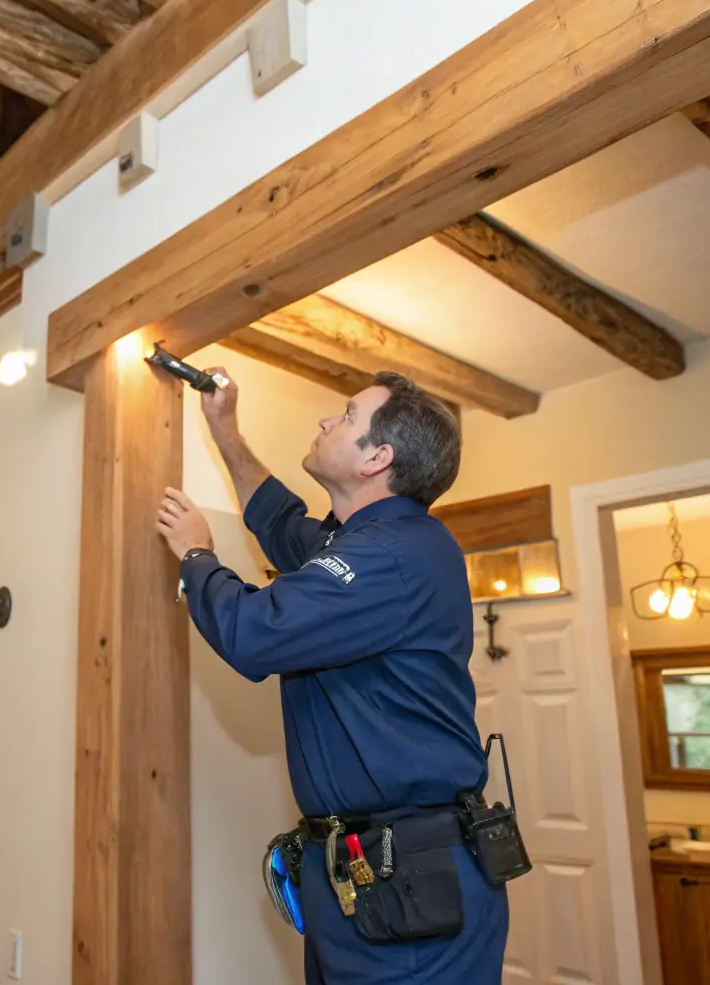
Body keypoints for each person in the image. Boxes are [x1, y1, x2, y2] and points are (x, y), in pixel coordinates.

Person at [155, 369, 508, 984]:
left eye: (345, 415)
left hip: (412, 879)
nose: (326, 421)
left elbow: (255, 634)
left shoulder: (393, 555)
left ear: (379, 457)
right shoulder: (364, 543)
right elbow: (278, 521)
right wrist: (224, 429)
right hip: (364, 875)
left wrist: (196, 554)